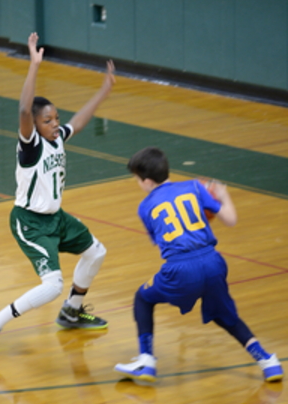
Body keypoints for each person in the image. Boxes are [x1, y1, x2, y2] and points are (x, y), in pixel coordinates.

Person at [0, 32, 115, 358]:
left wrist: (103, 92)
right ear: (34, 124)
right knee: (52, 285)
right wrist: (34, 65)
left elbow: (78, 122)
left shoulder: (56, 138)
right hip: (30, 222)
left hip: (56, 219)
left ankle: (71, 312)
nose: (55, 124)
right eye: (48, 120)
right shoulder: (30, 146)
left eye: (56, 118)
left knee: (96, 253)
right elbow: (23, 109)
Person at [114, 146, 283, 384]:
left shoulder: (145, 207)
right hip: (214, 262)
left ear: (147, 181)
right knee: (224, 314)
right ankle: (267, 361)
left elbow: (163, 241)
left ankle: (146, 361)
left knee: (143, 298)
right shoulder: (195, 186)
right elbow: (231, 220)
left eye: (136, 179)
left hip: (181, 268)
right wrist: (222, 196)